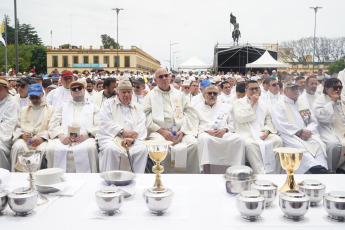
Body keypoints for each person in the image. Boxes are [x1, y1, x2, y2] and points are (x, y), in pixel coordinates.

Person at [143, 67, 199, 173]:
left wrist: (182, 131)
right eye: (161, 76)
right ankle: (166, 176)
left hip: (180, 131)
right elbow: (145, 116)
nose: (164, 78)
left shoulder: (179, 94)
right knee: (160, 145)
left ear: (170, 77)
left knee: (193, 144)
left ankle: (190, 176)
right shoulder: (150, 96)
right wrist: (162, 131)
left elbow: (189, 113)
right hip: (158, 131)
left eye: (166, 75)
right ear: (155, 80)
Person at [271, 82, 329, 174]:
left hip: (306, 134)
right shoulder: (279, 104)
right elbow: (280, 123)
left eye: (297, 89)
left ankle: (323, 169)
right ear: (285, 92)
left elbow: (313, 121)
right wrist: (299, 131)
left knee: (318, 144)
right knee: (299, 147)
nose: (295, 91)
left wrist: (308, 131)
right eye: (292, 89)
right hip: (289, 135)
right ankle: (314, 167)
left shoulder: (302, 103)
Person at [46, 81, 99, 173]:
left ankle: (89, 178)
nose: (77, 90)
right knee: (51, 149)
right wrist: (61, 136)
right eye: (74, 89)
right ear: (71, 93)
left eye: (79, 88)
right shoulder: (63, 106)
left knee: (90, 148)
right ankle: (56, 177)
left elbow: (100, 125)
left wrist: (88, 134)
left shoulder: (93, 107)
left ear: (84, 90)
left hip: (85, 138)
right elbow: (53, 123)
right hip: (65, 138)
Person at [97, 79, 148, 173]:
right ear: (117, 94)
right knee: (112, 150)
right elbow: (104, 122)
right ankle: (112, 180)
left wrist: (132, 138)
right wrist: (121, 131)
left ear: (132, 93)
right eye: (123, 92)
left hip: (133, 140)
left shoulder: (138, 107)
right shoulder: (108, 104)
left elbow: (141, 124)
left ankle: (136, 179)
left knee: (142, 149)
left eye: (129, 92)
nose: (127, 95)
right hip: (112, 138)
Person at [232, 80, 283, 174]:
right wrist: (251, 103)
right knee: (250, 145)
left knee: (277, 141)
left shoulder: (263, 103)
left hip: (262, 132)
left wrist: (267, 130)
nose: (255, 91)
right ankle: (261, 173)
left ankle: (275, 172)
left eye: (257, 88)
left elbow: (268, 120)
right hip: (247, 133)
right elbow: (240, 118)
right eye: (252, 89)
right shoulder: (238, 103)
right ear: (246, 90)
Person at [196, 85, 244, 174]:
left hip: (223, 132)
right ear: (203, 95)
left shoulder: (225, 107)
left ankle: (236, 171)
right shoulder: (196, 108)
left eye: (215, 93)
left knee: (239, 139)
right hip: (205, 133)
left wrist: (224, 130)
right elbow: (194, 125)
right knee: (206, 140)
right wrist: (206, 131)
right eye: (209, 93)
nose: (212, 95)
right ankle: (207, 172)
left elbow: (232, 123)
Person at [11, 84, 54, 171]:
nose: (34, 100)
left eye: (36, 97)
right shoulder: (23, 109)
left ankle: (38, 177)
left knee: (43, 150)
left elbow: (53, 127)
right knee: (18, 147)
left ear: (42, 94)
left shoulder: (51, 109)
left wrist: (42, 138)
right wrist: (22, 135)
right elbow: (16, 127)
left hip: (42, 139)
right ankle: (18, 176)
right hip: (25, 139)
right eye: (31, 97)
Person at [312, 78, 345, 173]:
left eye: (340, 87)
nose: (338, 90)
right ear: (326, 89)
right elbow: (322, 117)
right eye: (335, 87)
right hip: (326, 128)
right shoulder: (320, 100)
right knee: (333, 145)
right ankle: (331, 169)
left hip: (342, 128)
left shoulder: (343, 99)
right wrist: (332, 103)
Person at [0, 77, 18, 170]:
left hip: (5, 137)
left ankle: (3, 174)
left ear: (6, 89)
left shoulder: (11, 103)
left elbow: (8, 125)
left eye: (0, 89)